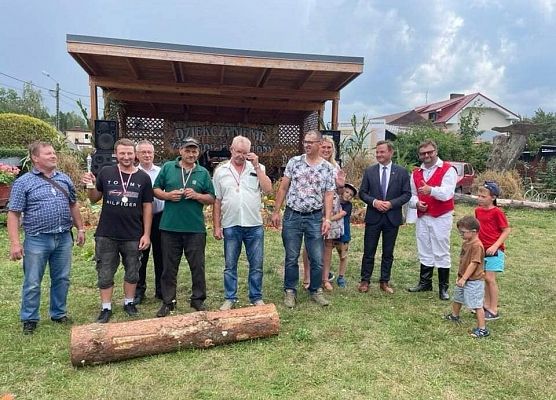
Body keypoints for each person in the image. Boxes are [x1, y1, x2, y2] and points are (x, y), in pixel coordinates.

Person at [8, 141, 85, 334]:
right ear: (35, 158)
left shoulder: (64, 179)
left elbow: (73, 205)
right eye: (48, 153)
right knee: (33, 281)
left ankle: (58, 313)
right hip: (37, 239)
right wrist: (16, 243)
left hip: (63, 237)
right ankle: (29, 319)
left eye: (53, 153)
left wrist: (81, 228)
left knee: (62, 278)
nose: (53, 156)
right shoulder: (23, 182)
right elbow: (14, 213)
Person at [83, 138, 153, 323]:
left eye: (130, 153)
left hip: (133, 234)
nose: (126, 157)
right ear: (116, 154)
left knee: (133, 271)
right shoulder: (106, 172)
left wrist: (146, 234)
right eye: (122, 153)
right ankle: (106, 307)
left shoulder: (143, 177)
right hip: (107, 233)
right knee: (105, 271)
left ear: (135, 154)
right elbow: (93, 198)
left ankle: (129, 302)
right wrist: (89, 185)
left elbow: (147, 207)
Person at [271, 130, 335, 308]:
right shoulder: (295, 162)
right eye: (305, 141)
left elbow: (329, 194)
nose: (307, 144)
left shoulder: (327, 168)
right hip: (293, 215)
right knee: (291, 256)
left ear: (319, 144)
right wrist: (276, 211)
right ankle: (290, 291)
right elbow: (283, 188)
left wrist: (327, 219)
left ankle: (315, 290)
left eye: (311, 142)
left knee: (317, 258)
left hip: (314, 217)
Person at [154, 137, 215, 317]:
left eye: (194, 151)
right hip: (170, 227)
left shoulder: (203, 172)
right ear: (180, 151)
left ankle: (197, 299)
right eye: (187, 150)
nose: (191, 154)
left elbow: (212, 198)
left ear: (198, 153)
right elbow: (155, 189)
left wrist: (197, 196)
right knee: (169, 267)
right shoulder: (168, 168)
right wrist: (167, 196)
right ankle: (168, 302)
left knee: (197, 266)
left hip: (195, 228)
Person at [212, 135, 273, 310]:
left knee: (256, 264)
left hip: (253, 224)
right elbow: (217, 200)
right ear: (231, 149)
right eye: (238, 151)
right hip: (231, 224)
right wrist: (217, 226)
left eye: (244, 152)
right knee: (230, 265)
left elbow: (268, 189)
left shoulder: (257, 167)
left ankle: (256, 296)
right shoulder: (220, 171)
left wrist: (256, 166)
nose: (240, 155)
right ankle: (230, 297)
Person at [357, 140, 411, 294]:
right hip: (374, 217)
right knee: (369, 250)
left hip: (391, 217)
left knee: (388, 252)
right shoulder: (370, 171)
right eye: (377, 152)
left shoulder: (401, 172)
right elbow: (362, 193)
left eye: (382, 152)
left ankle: (384, 281)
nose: (379, 154)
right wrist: (374, 202)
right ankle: (365, 280)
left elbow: (407, 194)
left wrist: (391, 204)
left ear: (390, 152)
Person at [407, 139, 457, 300]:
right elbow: (412, 194)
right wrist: (416, 203)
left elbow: (447, 193)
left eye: (429, 152)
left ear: (436, 151)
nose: (426, 155)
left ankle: (443, 287)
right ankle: (425, 282)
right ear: (419, 155)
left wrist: (431, 190)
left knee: (441, 249)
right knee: (424, 247)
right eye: (423, 153)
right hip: (423, 216)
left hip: (441, 215)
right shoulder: (416, 173)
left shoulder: (448, 170)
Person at [302, 136, 346, 291]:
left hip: (331, 208)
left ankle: (324, 278)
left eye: (330, 148)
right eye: (324, 147)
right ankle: (307, 277)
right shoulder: (310, 164)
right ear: (318, 147)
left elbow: (340, 194)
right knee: (310, 242)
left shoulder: (335, 167)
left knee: (328, 244)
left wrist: (341, 187)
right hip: (314, 207)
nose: (326, 150)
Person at [444, 216, 489, 338]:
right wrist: (460, 276)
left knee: (476, 304)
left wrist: (464, 278)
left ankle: (482, 329)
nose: (461, 235)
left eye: (463, 232)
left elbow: (474, 263)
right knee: (457, 298)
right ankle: (454, 315)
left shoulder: (477, 246)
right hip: (462, 278)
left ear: (474, 232)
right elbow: (463, 261)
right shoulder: (466, 243)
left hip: (473, 280)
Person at [134, 140, 165, 304]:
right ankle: (139, 291)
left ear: (154, 154)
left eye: (149, 152)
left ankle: (161, 290)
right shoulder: (133, 173)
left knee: (161, 255)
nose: (147, 155)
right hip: (139, 219)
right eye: (143, 152)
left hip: (160, 216)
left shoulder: (161, 171)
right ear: (137, 154)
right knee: (141, 256)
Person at [475, 181, 511, 320]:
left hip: (494, 250)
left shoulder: (497, 212)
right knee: (484, 278)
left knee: (490, 279)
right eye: (478, 196)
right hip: (482, 249)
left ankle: (494, 309)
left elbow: (506, 230)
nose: (479, 199)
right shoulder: (477, 210)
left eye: (483, 197)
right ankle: (486, 304)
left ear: (493, 197)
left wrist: (495, 245)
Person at [332, 183, 357, 288]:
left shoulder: (348, 205)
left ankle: (341, 277)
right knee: (325, 252)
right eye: (347, 192)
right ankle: (325, 273)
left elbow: (340, 215)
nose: (348, 195)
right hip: (332, 231)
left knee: (343, 255)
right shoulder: (335, 200)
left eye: (351, 195)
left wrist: (327, 219)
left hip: (343, 233)